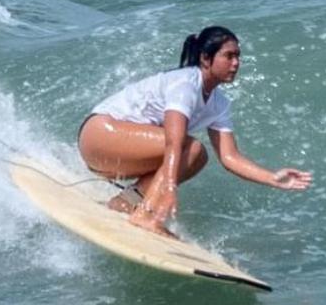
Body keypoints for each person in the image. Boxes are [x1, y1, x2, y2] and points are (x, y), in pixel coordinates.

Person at [77, 25, 311, 237]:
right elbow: (173, 142)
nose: (236, 63)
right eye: (229, 56)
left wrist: (272, 178)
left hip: (116, 155)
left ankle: (125, 204)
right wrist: (168, 188)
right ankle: (147, 216)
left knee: (197, 157)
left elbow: (230, 158)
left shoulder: (219, 103)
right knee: (191, 148)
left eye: (238, 56)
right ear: (206, 59)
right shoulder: (186, 84)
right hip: (98, 136)